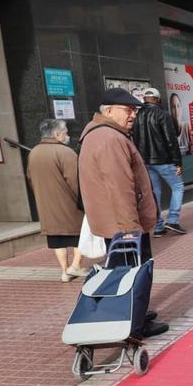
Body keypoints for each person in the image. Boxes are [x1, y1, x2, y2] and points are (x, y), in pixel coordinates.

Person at [78, 88, 167, 338]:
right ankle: (134, 324)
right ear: (108, 111)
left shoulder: (105, 135)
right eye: (128, 111)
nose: (133, 116)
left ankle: (135, 312)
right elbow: (120, 187)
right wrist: (131, 229)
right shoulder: (110, 139)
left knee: (126, 272)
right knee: (134, 273)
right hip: (123, 225)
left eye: (134, 111)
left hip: (115, 222)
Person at [27, 118, 89, 283]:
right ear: (57, 134)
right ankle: (76, 265)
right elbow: (75, 180)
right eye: (65, 132)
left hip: (45, 203)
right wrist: (84, 200)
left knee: (57, 239)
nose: (67, 135)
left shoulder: (34, 152)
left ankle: (64, 270)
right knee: (79, 234)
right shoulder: (65, 152)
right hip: (69, 204)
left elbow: (30, 178)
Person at [133, 87, 186, 236]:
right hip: (163, 160)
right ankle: (173, 220)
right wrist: (178, 162)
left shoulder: (137, 115)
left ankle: (158, 227)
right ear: (157, 99)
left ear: (145, 99)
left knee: (154, 193)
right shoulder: (163, 114)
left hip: (145, 162)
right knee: (178, 186)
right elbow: (171, 140)